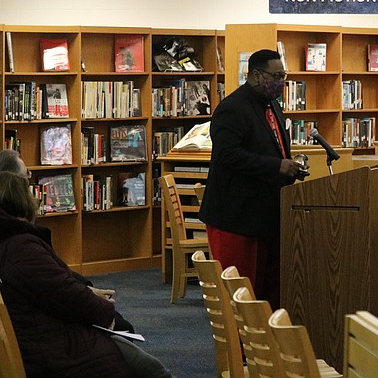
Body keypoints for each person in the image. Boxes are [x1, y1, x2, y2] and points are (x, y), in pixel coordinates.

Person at [0, 171, 174, 378]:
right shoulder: (21, 248)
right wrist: (104, 308)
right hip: (55, 349)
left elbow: (53, 287)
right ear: (20, 201)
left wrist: (87, 291)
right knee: (153, 370)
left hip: (40, 335)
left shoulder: (12, 243)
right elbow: (66, 296)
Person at [199, 49, 308, 308]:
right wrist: (277, 166)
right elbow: (229, 155)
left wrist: (291, 165)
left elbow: (273, 147)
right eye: (277, 76)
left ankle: (265, 347)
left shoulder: (272, 106)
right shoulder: (232, 108)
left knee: (268, 293)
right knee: (241, 295)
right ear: (257, 75)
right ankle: (239, 348)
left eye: (284, 75)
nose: (282, 82)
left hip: (267, 217)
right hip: (236, 218)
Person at [0, 149, 135, 333]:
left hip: (40, 323)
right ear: (13, 187)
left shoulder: (15, 235)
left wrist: (85, 288)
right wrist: (97, 303)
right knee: (129, 339)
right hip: (46, 333)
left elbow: (53, 276)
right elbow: (58, 290)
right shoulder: (20, 245)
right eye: (27, 176)